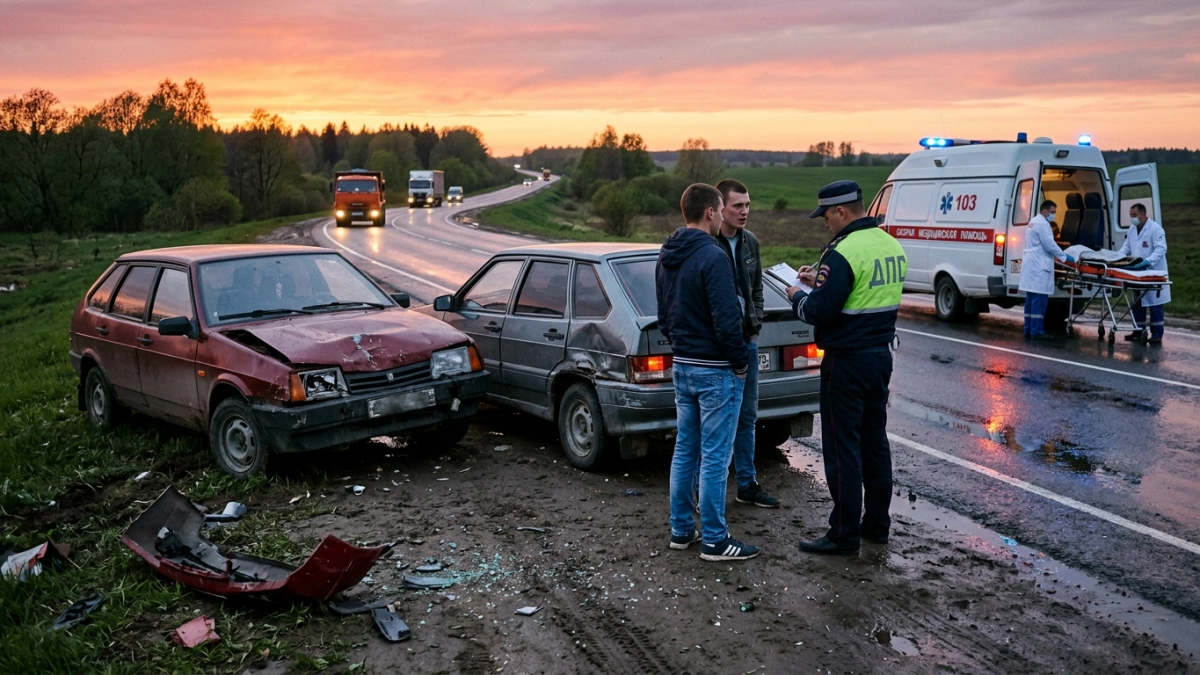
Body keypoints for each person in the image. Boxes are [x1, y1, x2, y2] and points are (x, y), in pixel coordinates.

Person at [785, 180, 905, 555]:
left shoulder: (843, 253)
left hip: (846, 361)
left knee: (842, 448)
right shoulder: (890, 245)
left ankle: (843, 534)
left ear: (841, 211)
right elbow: (861, 292)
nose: (824, 223)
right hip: (880, 356)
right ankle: (877, 526)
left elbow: (819, 311)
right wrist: (817, 281)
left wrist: (797, 294)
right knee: (875, 444)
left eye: (826, 216)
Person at [657, 183, 759, 562]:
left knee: (685, 450)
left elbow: (664, 314)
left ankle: (682, 529)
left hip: (683, 365)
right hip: (716, 369)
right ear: (711, 213)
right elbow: (727, 320)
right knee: (716, 456)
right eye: (721, 210)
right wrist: (739, 361)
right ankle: (715, 539)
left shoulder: (668, 255)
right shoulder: (712, 257)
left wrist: (683, 345)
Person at [714, 179, 779, 509]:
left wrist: (755, 325)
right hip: (714, 348)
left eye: (748, 205)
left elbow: (756, 289)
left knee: (747, 416)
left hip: (746, 342)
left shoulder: (750, 242)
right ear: (720, 208)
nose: (745, 211)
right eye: (738, 205)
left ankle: (747, 483)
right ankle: (709, 490)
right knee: (715, 418)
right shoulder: (708, 242)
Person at [1018, 200, 1074, 341]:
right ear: (1045, 211)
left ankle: (1028, 328)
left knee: (1030, 300)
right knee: (1039, 300)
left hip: (1032, 264)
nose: (1053, 215)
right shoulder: (1043, 224)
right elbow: (1049, 245)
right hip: (1039, 266)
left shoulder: (1033, 222)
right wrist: (1064, 256)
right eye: (1053, 212)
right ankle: (1037, 331)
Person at [1118, 203, 1169, 344]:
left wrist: (1148, 262)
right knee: (1138, 302)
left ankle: (1157, 334)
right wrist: (1116, 258)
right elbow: (1127, 247)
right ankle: (1138, 330)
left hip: (1153, 271)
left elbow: (1161, 249)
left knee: (1155, 304)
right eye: (1131, 216)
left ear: (1143, 214)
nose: (1132, 218)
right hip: (1138, 273)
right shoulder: (1132, 229)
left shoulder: (1155, 229)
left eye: (1134, 215)